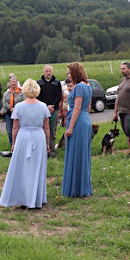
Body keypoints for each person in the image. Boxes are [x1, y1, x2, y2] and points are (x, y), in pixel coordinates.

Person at [0, 79, 50, 209]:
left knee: (22, 169)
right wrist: (48, 143)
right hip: (38, 138)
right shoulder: (43, 106)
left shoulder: (19, 107)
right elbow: (47, 128)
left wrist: (14, 142)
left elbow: (15, 127)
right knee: (37, 168)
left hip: (23, 137)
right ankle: (36, 199)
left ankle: (23, 199)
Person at [62, 62, 93, 198]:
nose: (68, 75)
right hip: (85, 120)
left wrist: (70, 127)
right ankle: (81, 186)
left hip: (78, 122)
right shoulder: (88, 85)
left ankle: (76, 188)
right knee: (82, 154)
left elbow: (77, 108)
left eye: (69, 73)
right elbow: (88, 107)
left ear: (75, 73)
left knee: (77, 154)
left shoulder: (79, 87)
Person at [37, 65, 63, 157]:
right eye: (46, 71)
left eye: (50, 71)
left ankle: (52, 151)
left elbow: (59, 96)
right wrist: (46, 107)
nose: (48, 73)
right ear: (44, 72)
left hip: (54, 110)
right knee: (43, 130)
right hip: (42, 110)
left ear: (52, 72)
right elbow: (38, 96)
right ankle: (43, 150)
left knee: (52, 131)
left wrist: (52, 106)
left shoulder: (57, 83)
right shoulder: (39, 83)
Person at [1, 77, 25, 146]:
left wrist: (17, 108)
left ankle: (19, 144)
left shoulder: (21, 92)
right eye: (12, 82)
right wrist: (10, 108)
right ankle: (12, 145)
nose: (13, 83)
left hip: (19, 113)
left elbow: (24, 101)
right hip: (8, 113)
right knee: (9, 130)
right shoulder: (6, 93)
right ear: (10, 83)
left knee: (18, 129)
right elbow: (4, 102)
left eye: (15, 82)